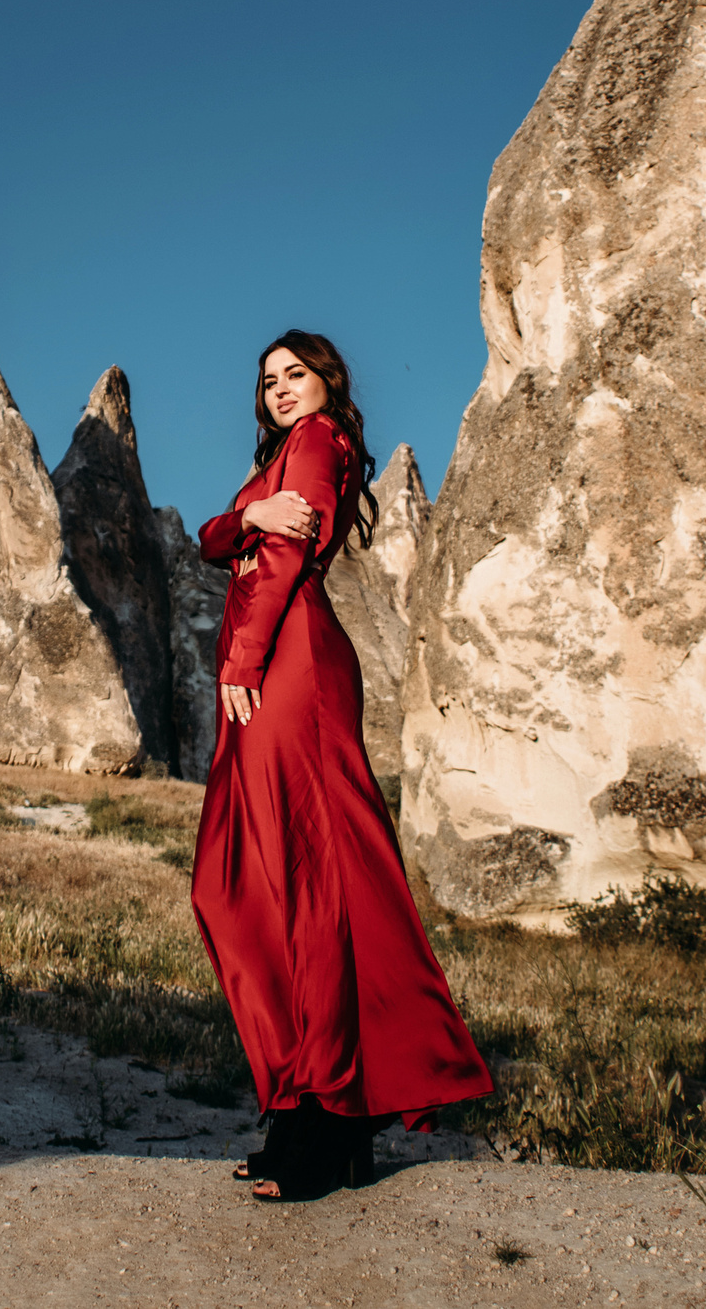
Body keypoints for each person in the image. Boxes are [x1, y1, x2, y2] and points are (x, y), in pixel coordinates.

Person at [189, 330, 492, 1201]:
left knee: (308, 880)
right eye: (269, 380)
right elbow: (219, 540)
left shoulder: (320, 444)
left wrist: (242, 660)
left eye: (298, 374)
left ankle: (328, 1112)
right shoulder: (280, 457)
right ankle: (301, 1105)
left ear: (329, 382)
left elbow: (284, 561)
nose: (282, 389)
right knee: (240, 884)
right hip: (261, 668)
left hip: (288, 664)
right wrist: (246, 514)